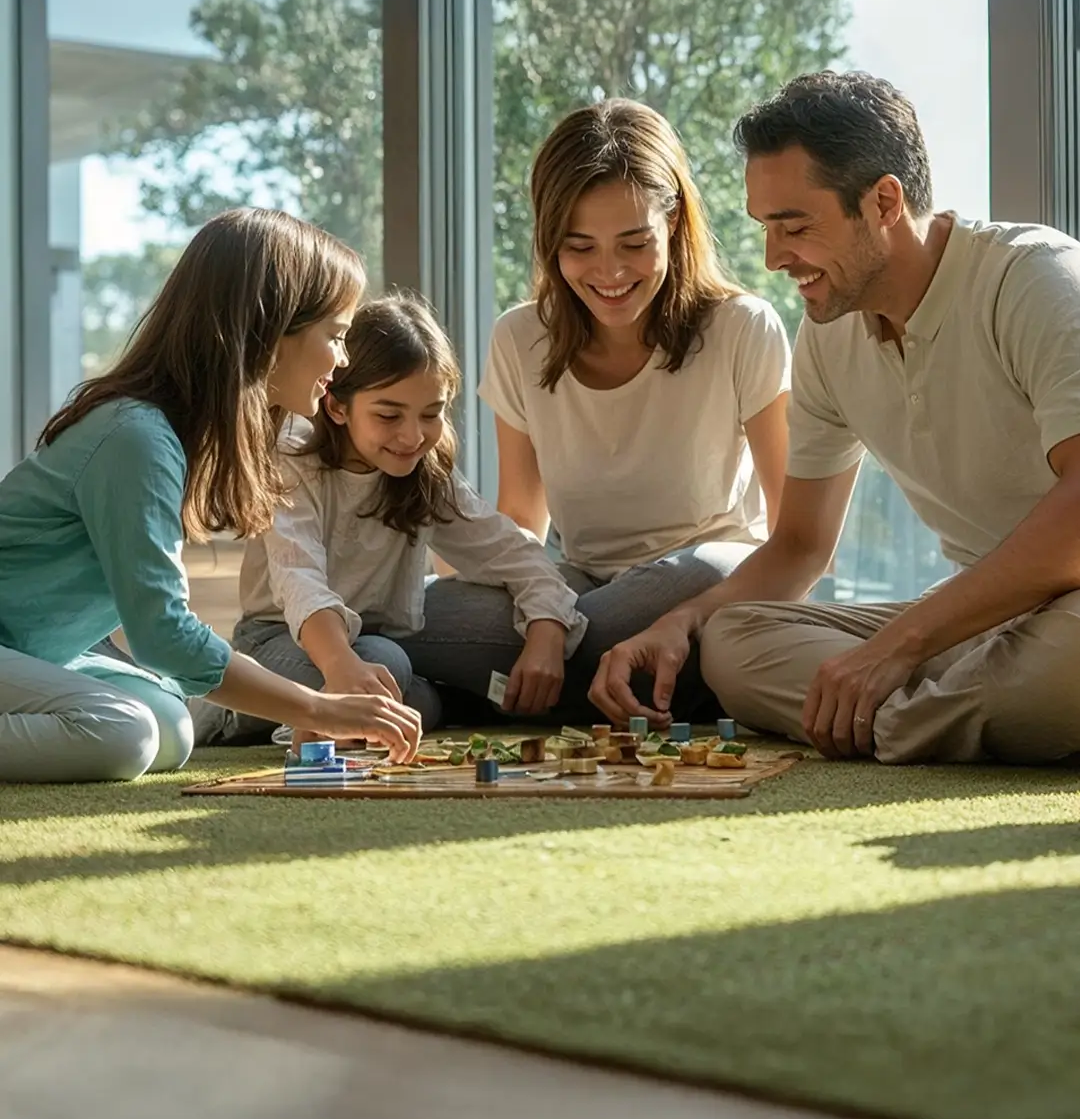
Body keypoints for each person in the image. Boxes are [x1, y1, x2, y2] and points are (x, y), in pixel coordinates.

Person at [590, 71, 1080, 765]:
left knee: (1063, 667)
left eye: (794, 226)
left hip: (1067, 613)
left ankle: (909, 719)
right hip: (981, 628)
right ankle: (972, 713)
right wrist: (679, 623)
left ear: (883, 201)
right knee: (735, 642)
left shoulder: (1034, 278)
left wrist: (899, 648)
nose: (773, 257)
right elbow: (799, 548)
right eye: (766, 228)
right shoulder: (829, 333)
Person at [0, 209, 422, 784]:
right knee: (126, 734)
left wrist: (302, 704)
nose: (342, 359)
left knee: (171, 728)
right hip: (19, 648)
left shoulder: (173, 437)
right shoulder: (135, 438)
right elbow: (162, 633)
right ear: (271, 332)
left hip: (33, 651)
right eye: (337, 335)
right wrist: (316, 706)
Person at [474, 98, 790, 719]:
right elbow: (519, 522)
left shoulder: (742, 327)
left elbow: (791, 535)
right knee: (440, 607)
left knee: (696, 570)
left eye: (633, 242)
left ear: (672, 222)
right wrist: (539, 614)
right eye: (580, 246)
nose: (610, 271)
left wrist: (550, 631)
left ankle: (508, 685)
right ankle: (604, 681)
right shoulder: (518, 339)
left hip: (705, 590)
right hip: (578, 584)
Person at [225, 293, 587, 737]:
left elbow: (513, 551)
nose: (412, 436)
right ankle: (236, 709)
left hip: (377, 639)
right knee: (389, 666)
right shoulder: (293, 461)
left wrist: (546, 635)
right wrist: (341, 666)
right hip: (277, 638)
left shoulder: (424, 474)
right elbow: (300, 582)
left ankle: (385, 701)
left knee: (402, 662)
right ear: (338, 406)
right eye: (388, 415)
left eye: (431, 414)